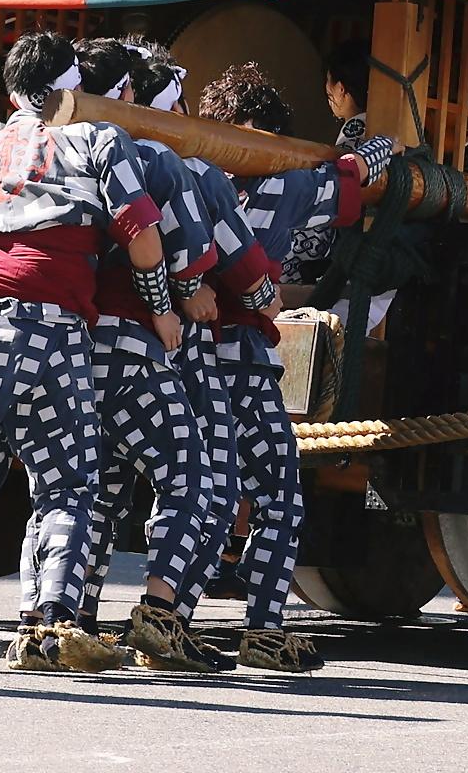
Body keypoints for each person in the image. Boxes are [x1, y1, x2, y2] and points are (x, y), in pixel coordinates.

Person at [0, 30, 165, 676]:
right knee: (68, 489)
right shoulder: (97, 141)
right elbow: (145, 237)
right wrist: (160, 306)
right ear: (72, 85)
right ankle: (49, 629)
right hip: (48, 334)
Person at [189, 59, 390, 675]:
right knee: (276, 490)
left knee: (188, 489)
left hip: (174, 355)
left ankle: (153, 614)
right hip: (243, 358)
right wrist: (386, 145)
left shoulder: (180, 178)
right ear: (269, 136)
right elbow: (352, 175)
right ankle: (264, 630)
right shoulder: (288, 183)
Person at [62, 38, 231, 673]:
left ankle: (60, 618)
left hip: (63, 343)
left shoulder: (37, 151)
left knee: (81, 491)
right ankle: (160, 616)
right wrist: (178, 299)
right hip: (133, 342)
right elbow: (178, 249)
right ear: (132, 96)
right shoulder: (150, 155)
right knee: (195, 478)